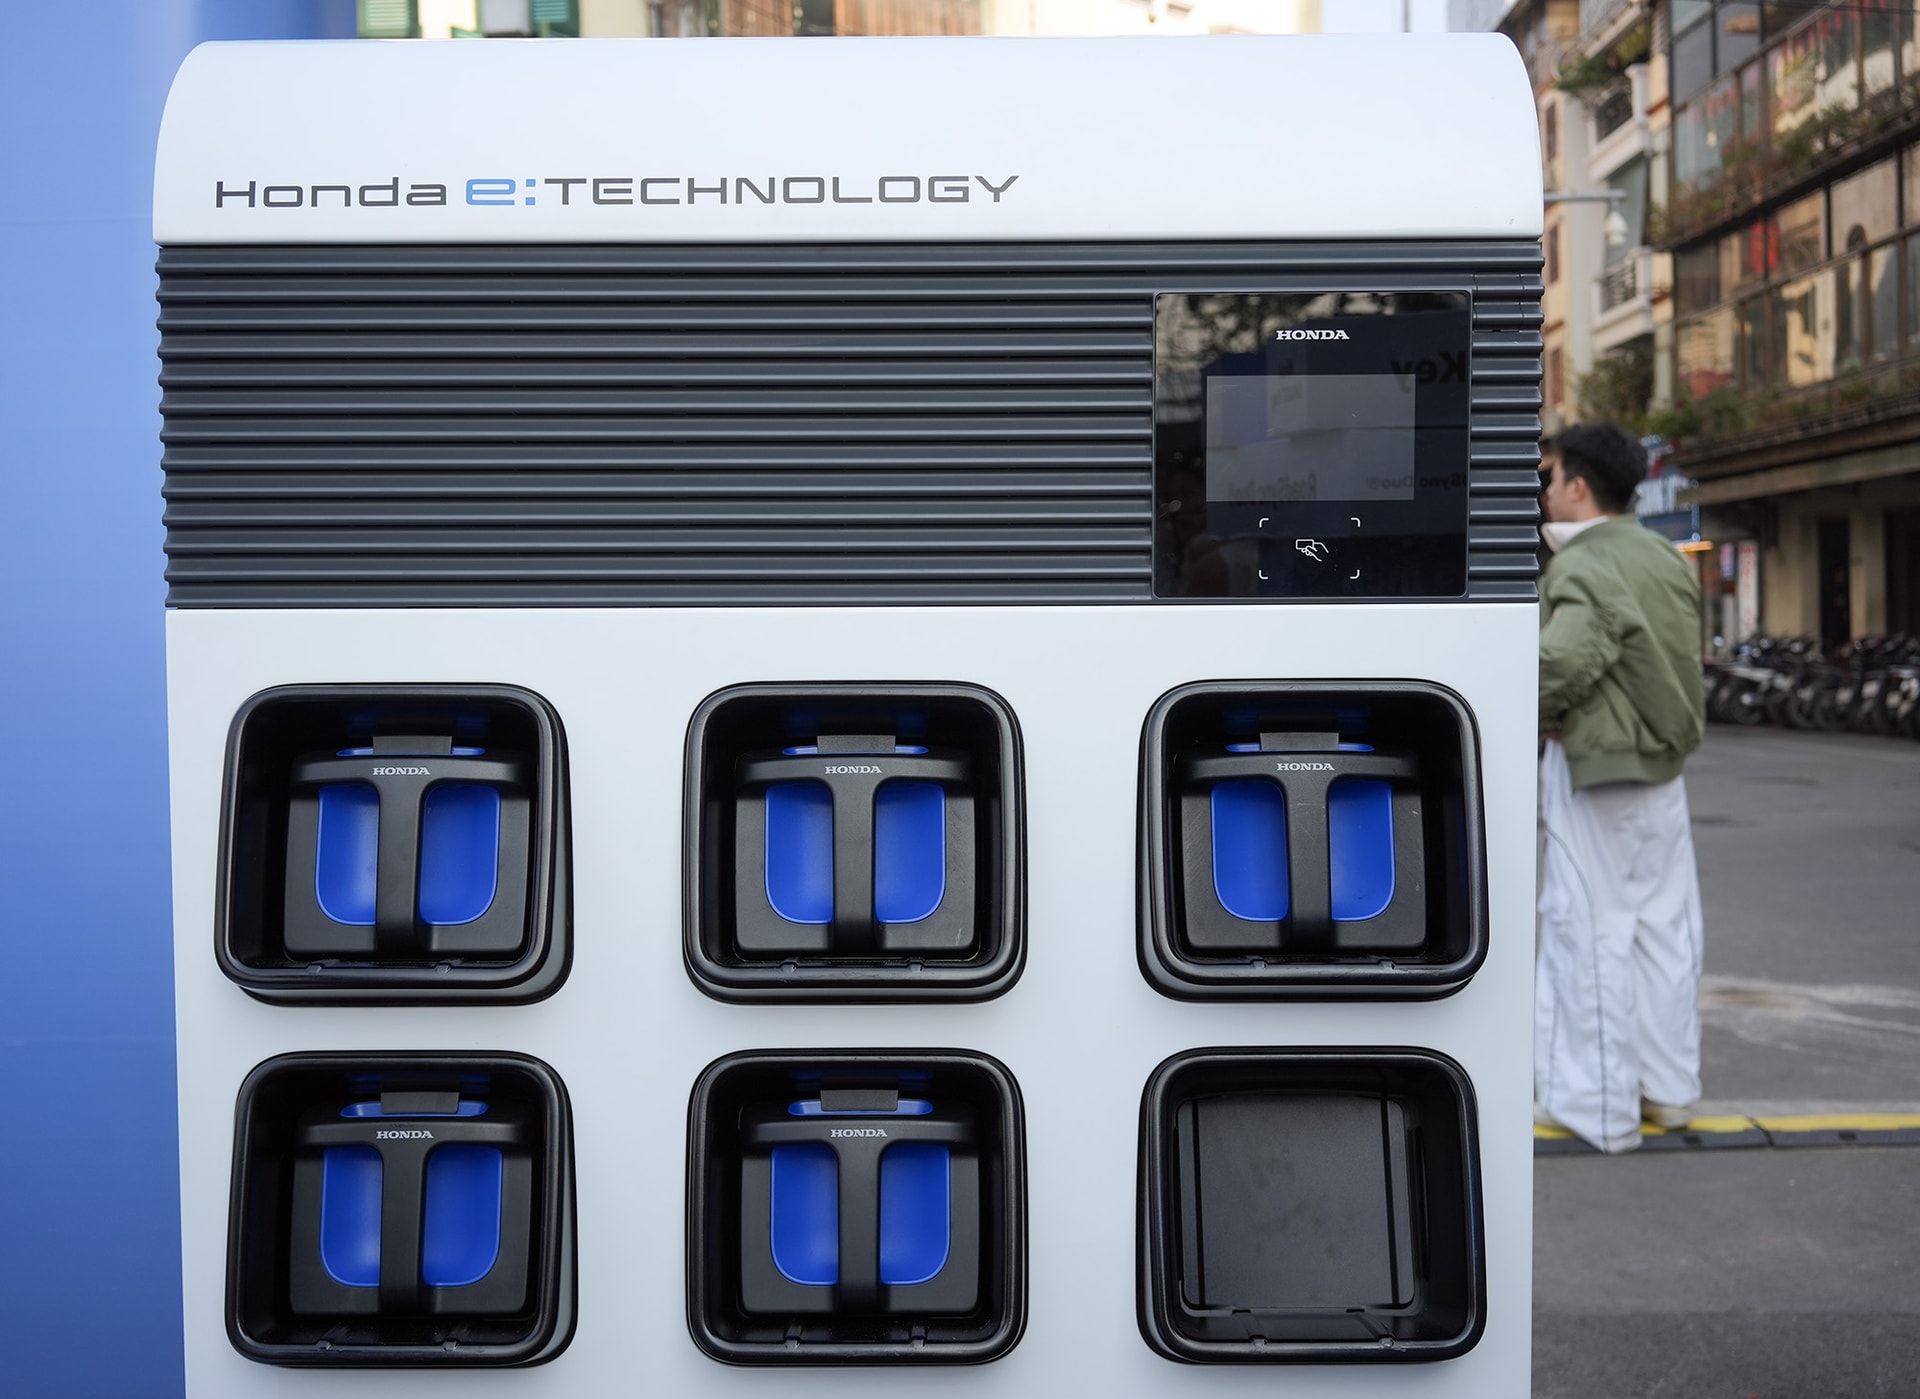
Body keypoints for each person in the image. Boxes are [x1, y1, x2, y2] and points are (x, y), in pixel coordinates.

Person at [1534, 424, 1706, 1154]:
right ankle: (1669, 1090)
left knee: (1587, 927)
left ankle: (1599, 1108)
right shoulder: (1662, 554)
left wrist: (1533, 713)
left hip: (1596, 770)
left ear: (1579, 485)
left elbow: (1560, 662)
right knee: (1664, 929)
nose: (1544, 492)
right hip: (1664, 770)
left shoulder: (1582, 562)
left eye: (1550, 478)